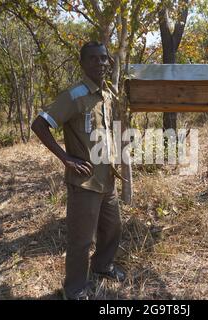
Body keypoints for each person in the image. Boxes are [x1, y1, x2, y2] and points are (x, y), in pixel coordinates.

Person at [31, 41, 125, 300]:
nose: (100, 63)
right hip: (85, 182)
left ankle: (102, 266)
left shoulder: (106, 94)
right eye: (93, 59)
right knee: (81, 240)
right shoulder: (74, 95)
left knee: (113, 227)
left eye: (104, 59)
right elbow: (39, 124)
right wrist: (65, 158)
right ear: (82, 63)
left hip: (107, 179)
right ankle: (74, 289)